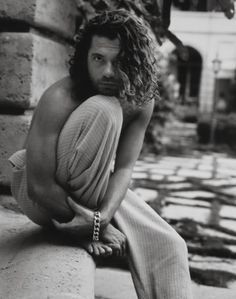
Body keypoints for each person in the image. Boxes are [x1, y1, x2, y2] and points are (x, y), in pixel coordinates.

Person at [9, 10, 193, 299]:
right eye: (98, 59)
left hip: (91, 186)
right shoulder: (60, 97)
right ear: (85, 57)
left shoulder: (142, 101)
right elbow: (39, 186)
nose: (108, 71)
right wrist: (94, 229)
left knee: (169, 245)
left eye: (119, 61)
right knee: (106, 107)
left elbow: (123, 169)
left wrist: (101, 219)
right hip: (37, 194)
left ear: (135, 62)